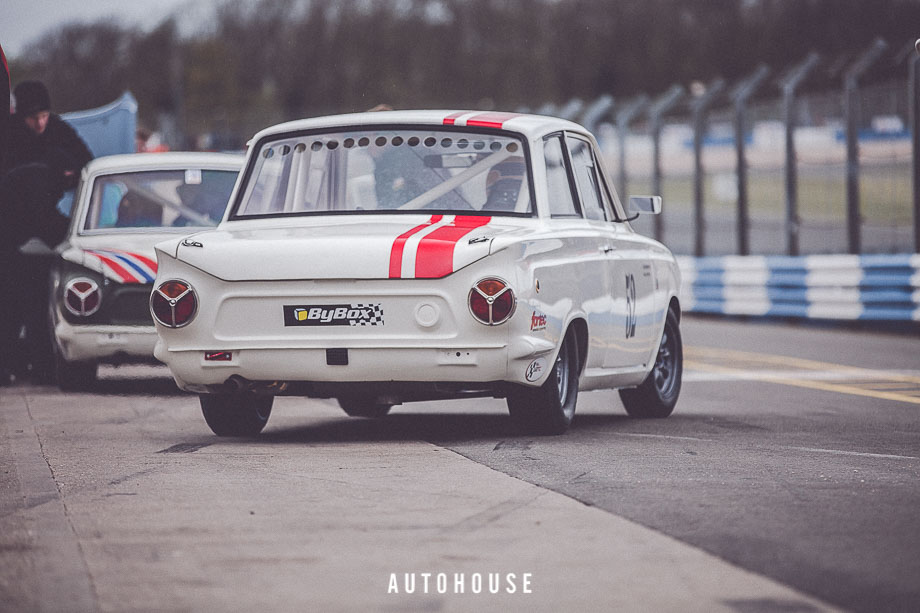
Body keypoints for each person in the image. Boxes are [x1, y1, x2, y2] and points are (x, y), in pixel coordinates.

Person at [3, 80, 93, 186]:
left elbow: (87, 162)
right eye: (33, 118)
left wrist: (72, 174)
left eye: (44, 116)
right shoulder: (8, 134)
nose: (40, 123)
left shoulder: (58, 128)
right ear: (21, 117)